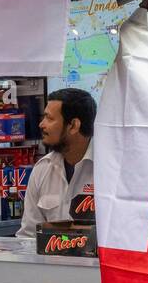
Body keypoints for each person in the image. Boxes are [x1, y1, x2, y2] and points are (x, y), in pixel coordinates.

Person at [17, 88, 97, 238]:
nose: (41, 124)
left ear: (73, 125)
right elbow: (29, 235)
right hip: (51, 261)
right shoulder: (42, 169)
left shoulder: (109, 168)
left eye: (49, 118)